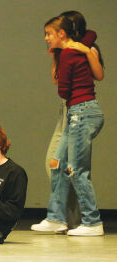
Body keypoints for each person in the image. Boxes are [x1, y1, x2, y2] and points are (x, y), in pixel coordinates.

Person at [31, 14, 104, 236]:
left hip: (82, 111)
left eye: (48, 34)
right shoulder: (73, 49)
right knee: (56, 163)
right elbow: (91, 34)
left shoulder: (73, 53)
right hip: (75, 111)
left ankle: (92, 222)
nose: (45, 38)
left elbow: (62, 89)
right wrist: (60, 53)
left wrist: (79, 51)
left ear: (62, 33)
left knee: (76, 170)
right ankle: (56, 218)